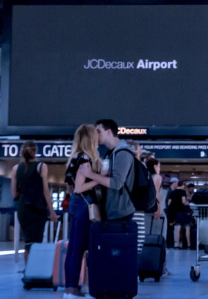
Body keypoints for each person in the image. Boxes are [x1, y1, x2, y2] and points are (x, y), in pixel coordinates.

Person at [63, 125, 101, 298]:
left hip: (75, 204)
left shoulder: (74, 158)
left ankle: (70, 287)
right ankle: (72, 289)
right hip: (85, 204)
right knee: (79, 248)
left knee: (73, 247)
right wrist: (99, 179)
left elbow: (72, 187)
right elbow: (79, 187)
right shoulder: (85, 158)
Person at [78, 119, 136, 223]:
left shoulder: (122, 153)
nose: (96, 135)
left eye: (98, 131)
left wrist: (90, 174)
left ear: (108, 132)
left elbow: (116, 183)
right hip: (112, 211)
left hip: (120, 213)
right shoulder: (111, 153)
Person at [12, 141, 58, 264]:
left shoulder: (16, 169)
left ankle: (28, 271)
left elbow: (14, 194)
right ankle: (34, 270)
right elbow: (45, 191)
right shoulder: (41, 166)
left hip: (23, 208)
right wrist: (52, 211)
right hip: (37, 208)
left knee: (28, 241)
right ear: (35, 151)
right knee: (36, 240)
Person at [167, 181, 191, 249]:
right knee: (187, 227)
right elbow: (183, 201)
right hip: (183, 212)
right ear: (183, 185)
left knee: (177, 228)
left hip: (176, 212)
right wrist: (188, 203)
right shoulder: (182, 192)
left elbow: (169, 203)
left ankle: (176, 244)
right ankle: (188, 244)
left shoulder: (173, 192)